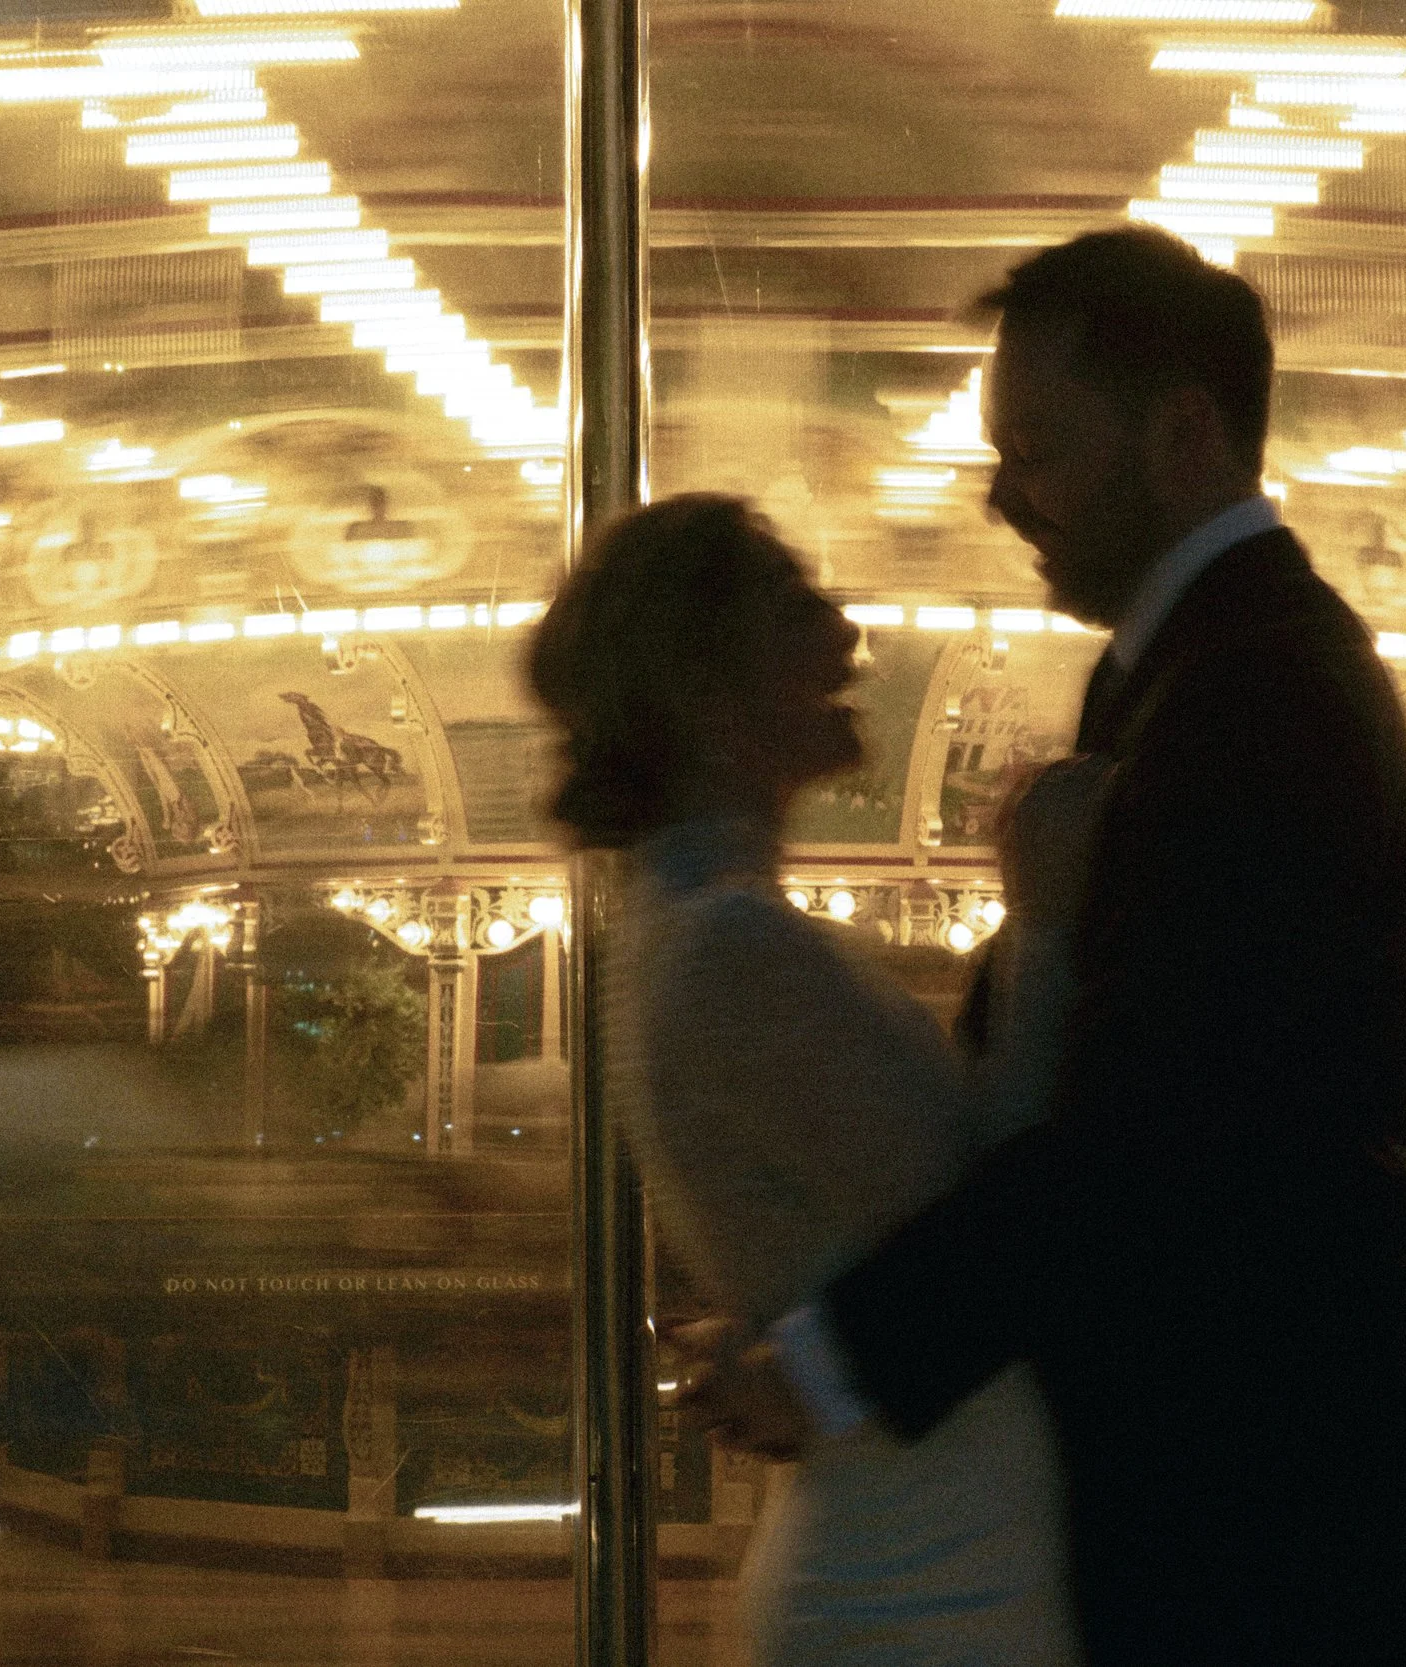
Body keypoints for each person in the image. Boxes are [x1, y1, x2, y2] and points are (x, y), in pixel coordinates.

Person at [707, 227, 1406, 1665]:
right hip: (1270, 1482)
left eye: (1041, 452)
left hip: (1266, 1498)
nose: (1001, 495)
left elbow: (1156, 1134)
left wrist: (834, 1358)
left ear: (1185, 431)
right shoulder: (1203, 668)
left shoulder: (1253, 693)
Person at [526, 494, 1079, 1667]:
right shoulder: (734, 947)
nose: (845, 632)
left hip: (923, 1545)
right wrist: (1047, 916)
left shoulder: (692, 931)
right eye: (794, 600)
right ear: (709, 693)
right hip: (930, 1577)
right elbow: (1003, 1216)